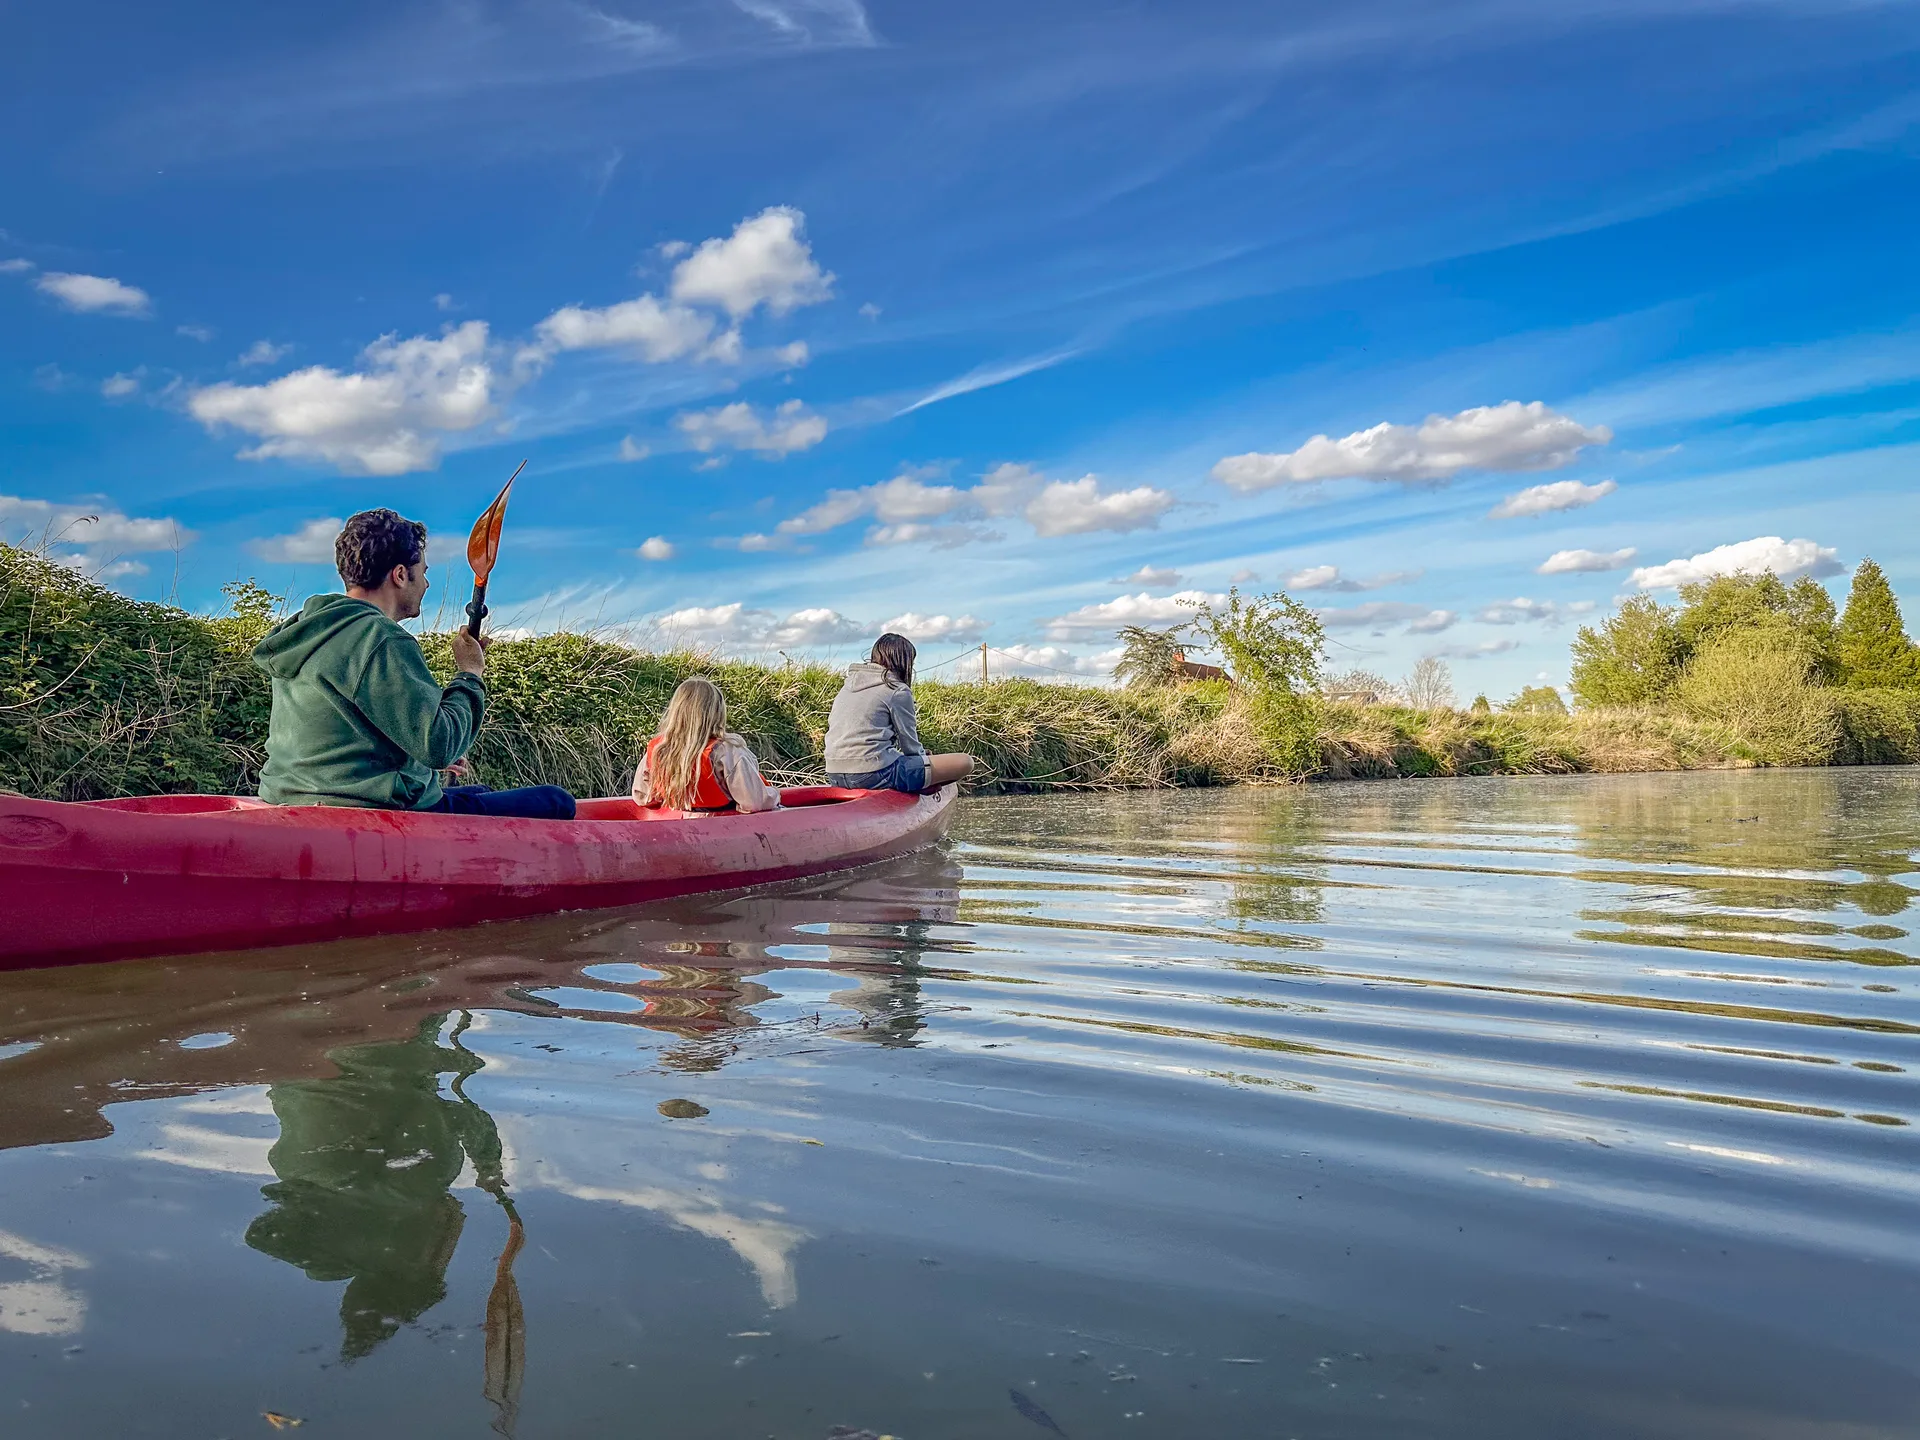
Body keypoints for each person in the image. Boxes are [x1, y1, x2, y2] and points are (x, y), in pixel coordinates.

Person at [252, 509, 575, 820]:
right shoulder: (381, 638)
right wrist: (470, 672)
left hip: (298, 795)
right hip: (369, 808)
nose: (427, 585)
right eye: (424, 573)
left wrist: (418, 762)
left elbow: (348, 731)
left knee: (481, 791)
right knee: (556, 801)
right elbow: (440, 745)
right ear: (401, 575)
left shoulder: (314, 629)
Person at [824, 633, 974, 793]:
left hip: (834, 775)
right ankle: (919, 790)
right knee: (965, 762)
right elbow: (910, 744)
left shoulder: (846, 687)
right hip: (872, 773)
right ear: (905, 662)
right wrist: (923, 759)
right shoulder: (897, 690)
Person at [633, 677, 782, 814]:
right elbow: (754, 803)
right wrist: (774, 794)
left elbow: (643, 797)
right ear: (717, 713)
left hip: (675, 827)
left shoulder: (659, 749)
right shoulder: (728, 751)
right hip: (720, 829)